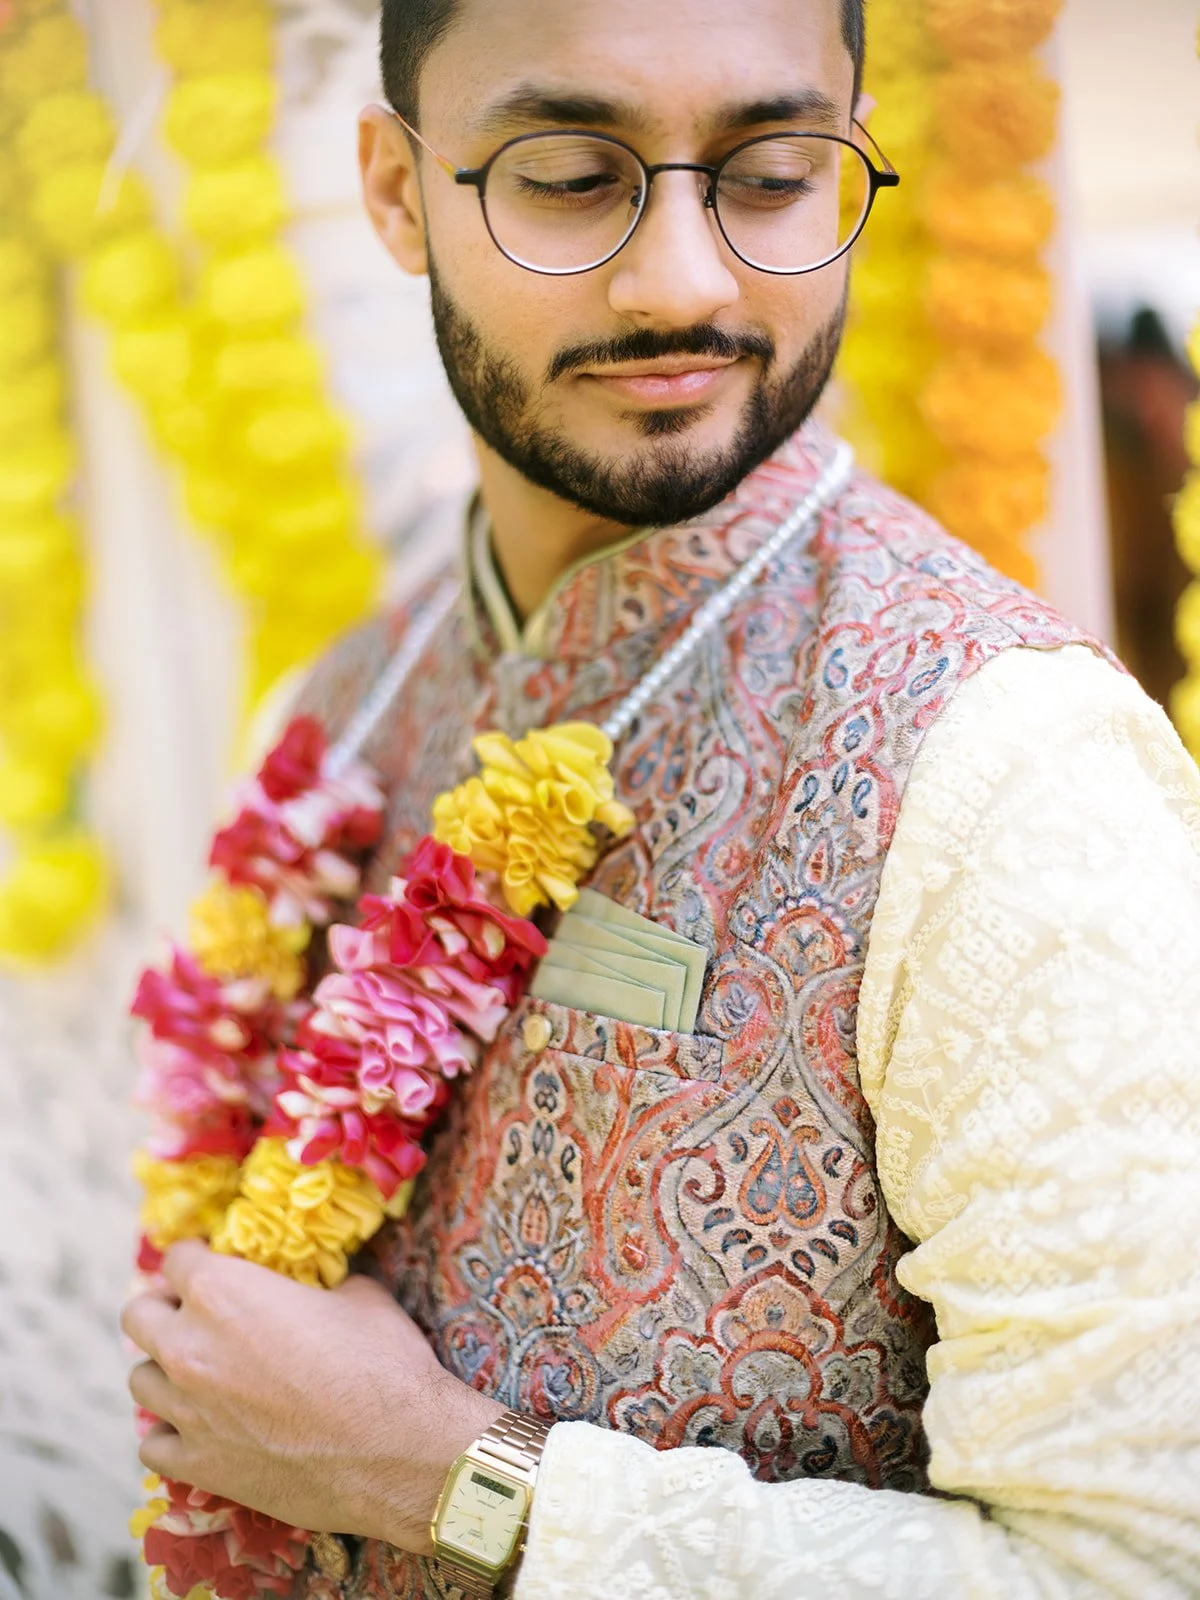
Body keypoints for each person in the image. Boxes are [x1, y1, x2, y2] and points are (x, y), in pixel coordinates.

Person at [120, 0, 1200, 1595]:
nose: (686, 281)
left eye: (770, 174)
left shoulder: (1004, 762)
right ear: (397, 190)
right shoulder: (343, 709)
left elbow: (1132, 1563)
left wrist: (449, 1481)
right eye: (569, 174)